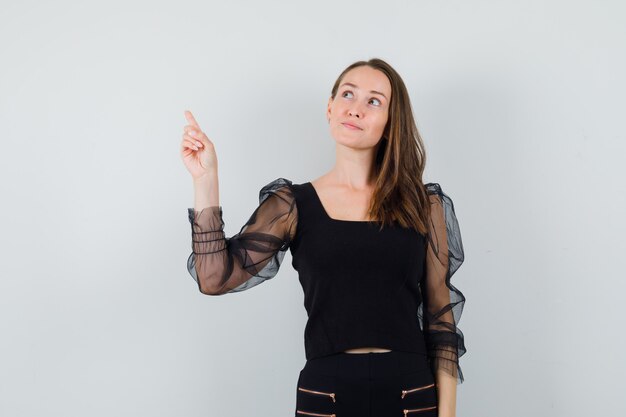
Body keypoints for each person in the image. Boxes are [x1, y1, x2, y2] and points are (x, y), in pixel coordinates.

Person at [180, 57, 466, 417]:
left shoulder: (424, 206)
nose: (356, 109)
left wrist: (449, 414)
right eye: (348, 94)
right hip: (326, 394)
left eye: (374, 101)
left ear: (391, 123)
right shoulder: (292, 205)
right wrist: (206, 179)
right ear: (330, 109)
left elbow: (441, 320)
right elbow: (213, 278)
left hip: (411, 391)